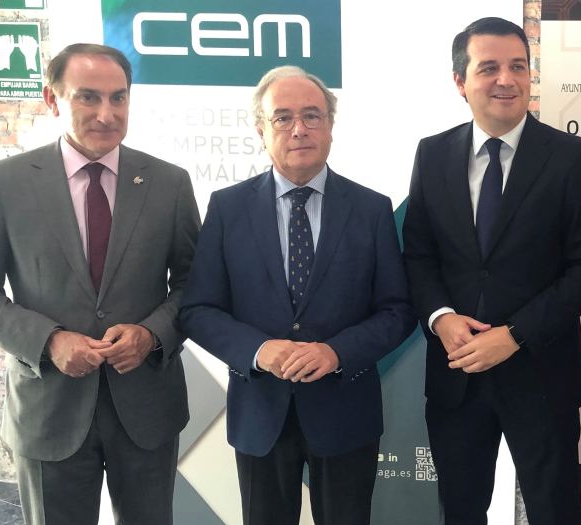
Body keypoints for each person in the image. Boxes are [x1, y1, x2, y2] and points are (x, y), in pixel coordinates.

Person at [0, 43, 200, 525]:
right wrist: (48, 341)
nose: (107, 114)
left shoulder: (169, 183)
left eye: (119, 98)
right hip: (49, 409)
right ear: (51, 98)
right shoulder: (5, 183)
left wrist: (152, 335)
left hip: (146, 408)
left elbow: (195, 285)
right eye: (88, 97)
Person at [178, 66, 416, 525]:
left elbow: (398, 311)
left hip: (346, 413)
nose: (299, 128)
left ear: (330, 125)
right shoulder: (227, 208)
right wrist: (258, 350)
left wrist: (336, 351)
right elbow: (198, 309)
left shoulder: (371, 209)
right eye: (283, 117)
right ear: (261, 129)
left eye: (312, 115)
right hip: (260, 413)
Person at [402, 16, 581, 525]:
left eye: (519, 66)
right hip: (457, 372)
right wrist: (441, 318)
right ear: (460, 82)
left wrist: (515, 335)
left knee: (553, 511)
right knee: (460, 510)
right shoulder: (432, 154)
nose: (507, 79)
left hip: (541, 374)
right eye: (490, 67)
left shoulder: (568, 156)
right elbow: (418, 255)